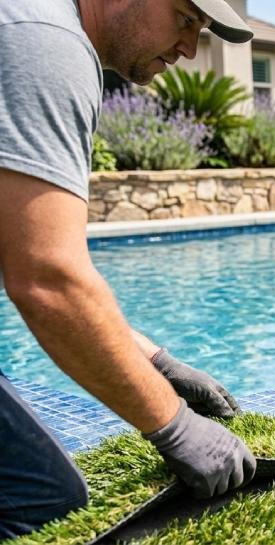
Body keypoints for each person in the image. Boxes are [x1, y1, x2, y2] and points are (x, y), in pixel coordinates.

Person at [0, 0, 258, 537]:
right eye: (186, 18)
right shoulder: (46, 44)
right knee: (42, 501)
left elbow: (20, 252)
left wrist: (159, 362)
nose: (190, 48)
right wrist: (174, 425)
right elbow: (47, 278)